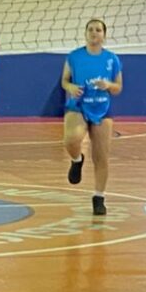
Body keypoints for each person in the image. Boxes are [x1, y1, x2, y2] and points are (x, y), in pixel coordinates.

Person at [62, 18, 122, 218]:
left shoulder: (112, 59)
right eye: (90, 29)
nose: (94, 32)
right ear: (85, 33)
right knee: (71, 139)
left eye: (98, 30)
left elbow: (118, 88)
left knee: (101, 155)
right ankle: (76, 160)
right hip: (78, 105)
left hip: (102, 108)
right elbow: (64, 81)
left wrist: (108, 85)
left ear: (104, 35)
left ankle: (99, 197)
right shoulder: (74, 56)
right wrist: (71, 87)